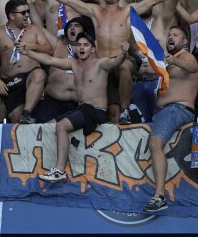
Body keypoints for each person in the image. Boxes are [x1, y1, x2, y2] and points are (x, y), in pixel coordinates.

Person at [32, 0, 191, 124]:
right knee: (111, 112)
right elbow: (69, 1)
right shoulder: (95, 11)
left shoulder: (127, 11)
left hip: (121, 59)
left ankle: (126, 109)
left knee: (125, 66)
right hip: (102, 65)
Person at [21, 35, 129, 182]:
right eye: (79, 45)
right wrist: (28, 52)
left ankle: (59, 171)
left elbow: (117, 61)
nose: (82, 48)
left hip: (96, 111)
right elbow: (50, 60)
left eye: (86, 45)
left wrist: (124, 52)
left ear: (93, 49)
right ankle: (44, 168)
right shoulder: (74, 64)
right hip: (82, 110)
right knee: (47, 127)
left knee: (61, 126)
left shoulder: (101, 63)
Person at [143, 26, 198, 212]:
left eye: (176, 35)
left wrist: (175, 61)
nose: (170, 38)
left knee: (155, 143)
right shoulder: (168, 61)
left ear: (185, 42)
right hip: (165, 111)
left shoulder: (186, 56)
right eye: (169, 35)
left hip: (177, 109)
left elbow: (193, 67)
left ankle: (159, 196)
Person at [0, 0, 53, 124]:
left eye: (28, 11)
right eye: (23, 13)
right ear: (12, 15)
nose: (27, 15)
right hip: (11, 80)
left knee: (40, 74)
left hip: (30, 75)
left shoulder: (35, 29)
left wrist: (32, 46)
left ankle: (27, 113)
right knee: (15, 119)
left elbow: (49, 50)